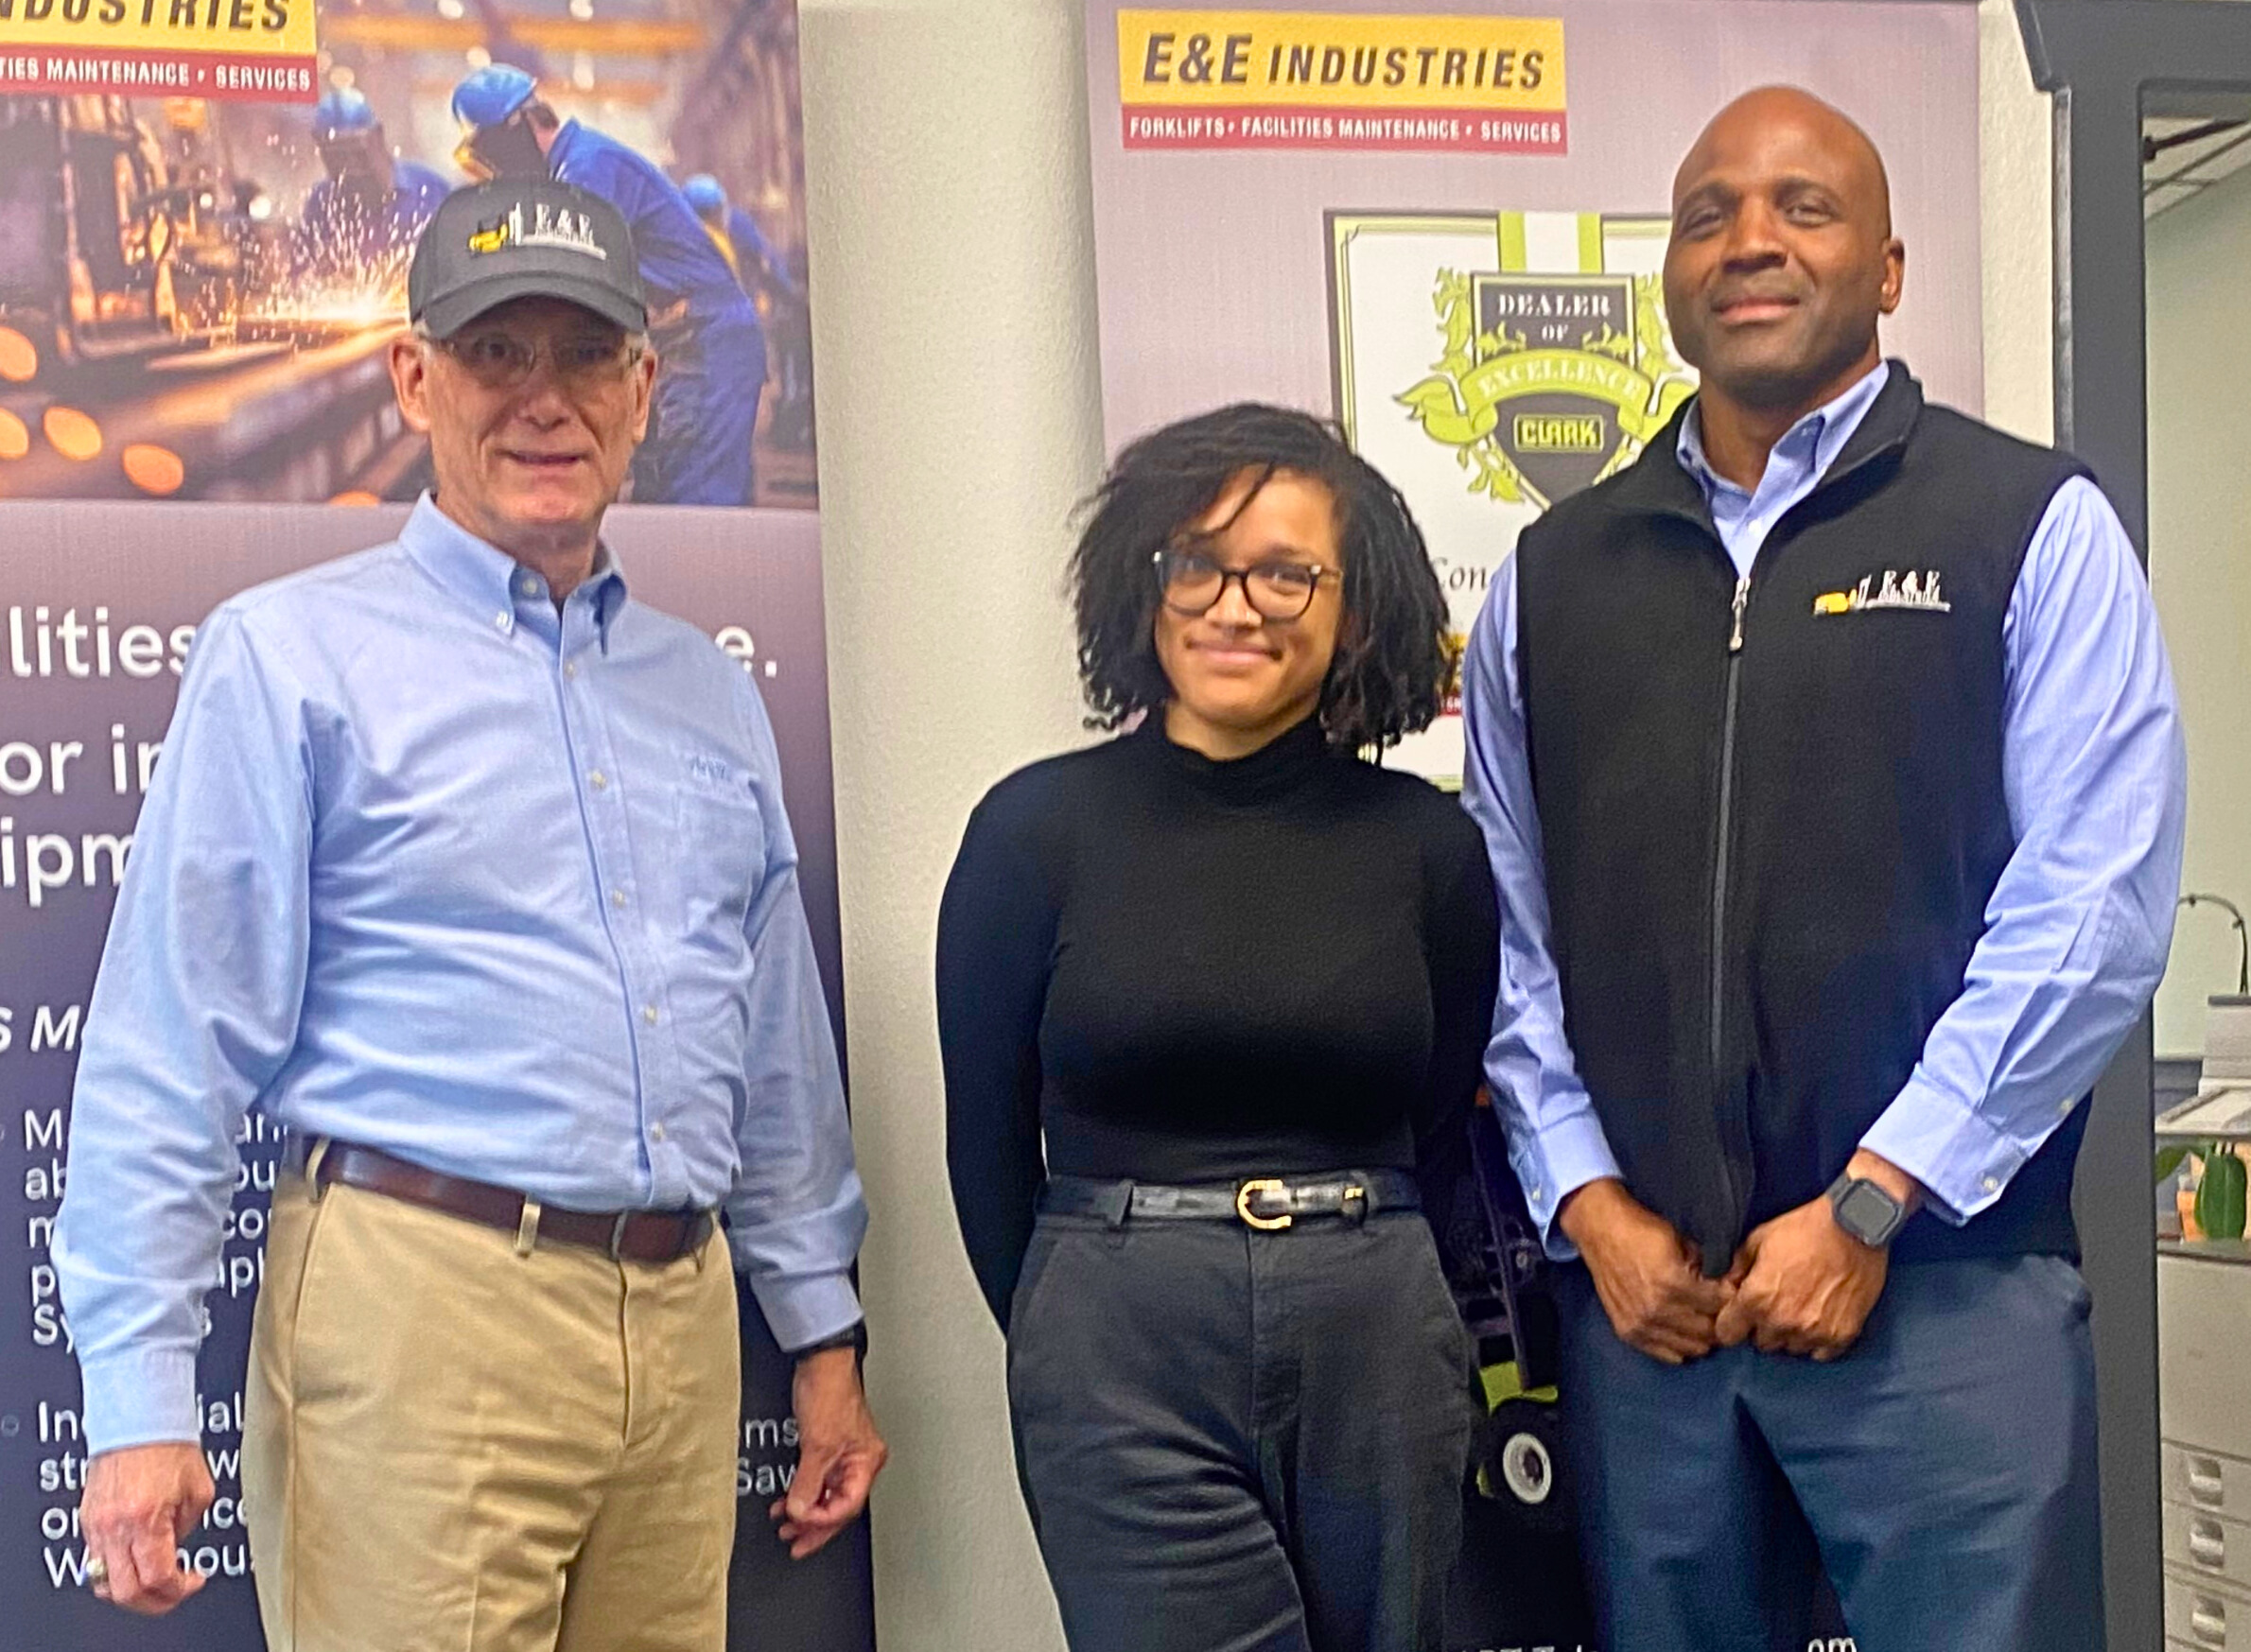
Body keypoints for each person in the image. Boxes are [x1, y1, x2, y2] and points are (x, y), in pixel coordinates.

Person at [52, 177, 883, 1647]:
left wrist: (822, 1334)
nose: (542, 400)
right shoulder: (292, 659)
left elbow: (771, 1052)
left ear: (644, 390)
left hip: (680, 1325)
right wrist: (134, 1396)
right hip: (418, 1308)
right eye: (499, 354)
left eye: (584, 356)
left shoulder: (706, 688)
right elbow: (169, 1044)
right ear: (414, 379)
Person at [1460, 86, 2186, 1652]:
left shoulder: (2028, 524)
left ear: (1890, 265)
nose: (1750, 242)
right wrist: (1585, 1199)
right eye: (1710, 210)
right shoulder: (1554, 575)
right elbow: (1502, 926)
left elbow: (2099, 904)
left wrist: (1871, 1200)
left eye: (1803, 206)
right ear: (1671, 265)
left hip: (1943, 1292)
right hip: (1652, 1317)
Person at [938, 404, 1497, 1652]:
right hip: (1119, 1334)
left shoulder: (1429, 848)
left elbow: (1442, 1117)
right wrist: (1069, 1333)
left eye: (1287, 570)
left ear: (1358, 608)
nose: (1235, 603)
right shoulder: (1033, 832)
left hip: (1378, 1327)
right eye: (1197, 561)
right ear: (1147, 582)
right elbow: (985, 1139)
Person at [451, 66, 767, 507]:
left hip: (707, 340)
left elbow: (566, 274)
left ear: (515, 127)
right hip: (684, 340)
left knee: (695, 498)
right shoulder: (571, 169)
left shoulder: (587, 168)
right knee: (669, 484)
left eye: (490, 151)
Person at [681, 172, 814, 453]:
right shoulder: (729, 228)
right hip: (730, 333)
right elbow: (768, 266)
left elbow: (766, 265)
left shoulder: (692, 232)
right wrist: (793, 297)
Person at [288, 87, 450, 287]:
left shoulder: (432, 191)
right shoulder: (321, 204)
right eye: (337, 157)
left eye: (356, 152)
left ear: (378, 136)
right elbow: (299, 283)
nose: (349, 165)